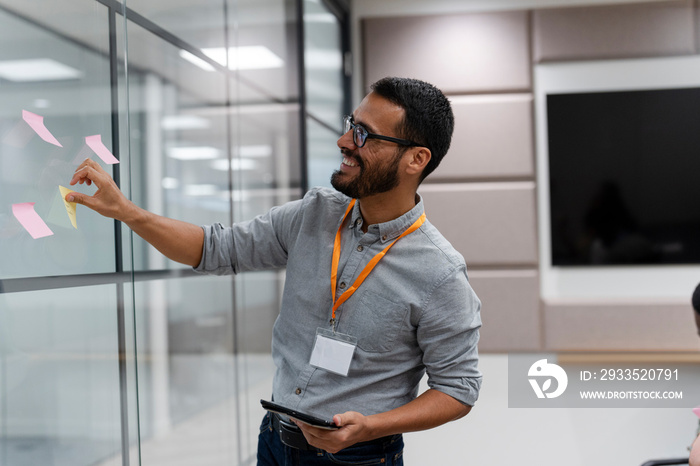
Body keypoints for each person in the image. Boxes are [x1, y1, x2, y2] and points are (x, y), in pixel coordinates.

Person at [66, 76, 482, 465]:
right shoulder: (314, 214)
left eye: (363, 135)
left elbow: (456, 390)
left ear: (416, 159)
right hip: (276, 439)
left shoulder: (440, 274)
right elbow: (215, 248)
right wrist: (127, 212)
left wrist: (369, 427)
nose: (343, 141)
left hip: (360, 455)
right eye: (350, 124)